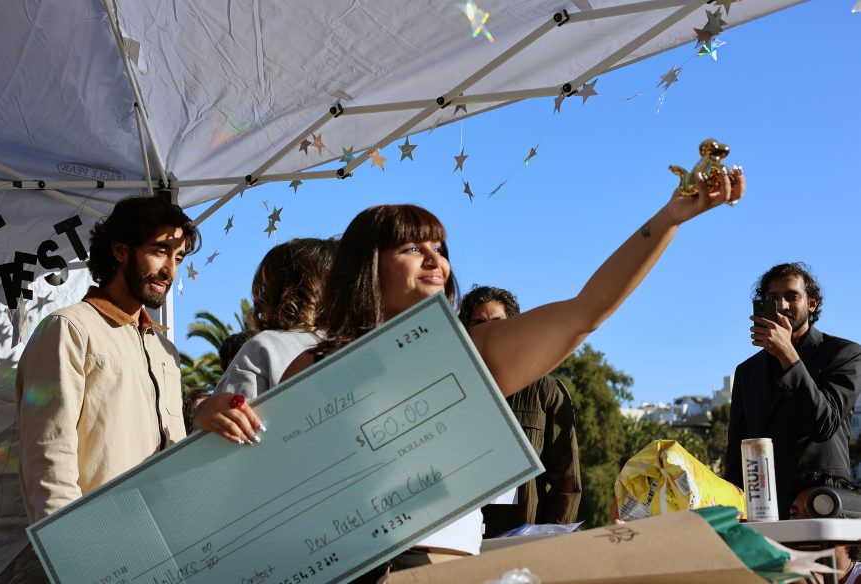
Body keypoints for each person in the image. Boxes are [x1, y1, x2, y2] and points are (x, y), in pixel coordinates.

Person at [275, 166, 743, 579]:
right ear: (367, 266)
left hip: (445, 564)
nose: (435, 259)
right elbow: (271, 481)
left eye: (440, 247)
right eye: (412, 247)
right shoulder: (314, 365)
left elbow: (586, 312)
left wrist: (669, 219)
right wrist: (216, 412)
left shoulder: (467, 352)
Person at [15, 195, 264, 522]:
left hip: (169, 543)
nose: (170, 271)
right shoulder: (69, 329)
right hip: (98, 546)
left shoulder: (166, 351)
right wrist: (72, 556)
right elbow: (48, 458)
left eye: (178, 257)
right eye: (160, 251)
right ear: (120, 251)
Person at [724, 263, 861, 519]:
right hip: (764, 511)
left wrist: (788, 354)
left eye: (792, 296)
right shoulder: (747, 371)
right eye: (772, 298)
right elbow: (737, 451)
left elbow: (823, 424)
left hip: (824, 504)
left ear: (812, 304)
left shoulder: (845, 354)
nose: (782, 305)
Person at [458, 285, 581, 535]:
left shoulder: (545, 391)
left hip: (520, 539)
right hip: (461, 541)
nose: (489, 330)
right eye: (479, 323)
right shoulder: (452, 388)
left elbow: (567, 483)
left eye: (498, 322)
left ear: (513, 329)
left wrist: (547, 538)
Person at [194, 238, 337, 440]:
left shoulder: (265, 347)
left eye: (265, 287)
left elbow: (225, 438)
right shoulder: (358, 341)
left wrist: (202, 415)